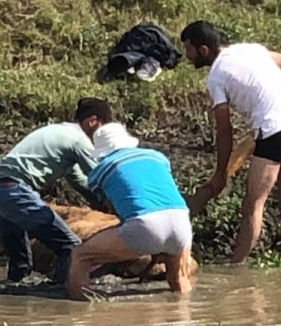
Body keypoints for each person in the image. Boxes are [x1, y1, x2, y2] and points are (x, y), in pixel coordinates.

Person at [180, 20, 281, 264]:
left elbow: (224, 131)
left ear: (203, 50)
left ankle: (237, 266)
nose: (187, 56)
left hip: (273, 132)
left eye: (189, 49)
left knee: (253, 205)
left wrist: (220, 173)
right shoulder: (250, 49)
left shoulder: (216, 77)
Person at [0, 98, 112, 284]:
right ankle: (60, 292)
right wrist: (120, 203)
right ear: (92, 121)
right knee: (71, 247)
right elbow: (101, 176)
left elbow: (79, 182)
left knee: (21, 263)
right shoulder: (79, 141)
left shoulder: (58, 132)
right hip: (16, 193)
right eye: (102, 128)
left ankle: (13, 298)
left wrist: (100, 203)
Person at [67, 122, 194, 300]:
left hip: (146, 224)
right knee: (178, 280)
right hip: (181, 221)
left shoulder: (99, 173)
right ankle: (185, 319)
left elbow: (116, 209)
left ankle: (81, 311)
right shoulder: (158, 157)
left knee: (80, 256)